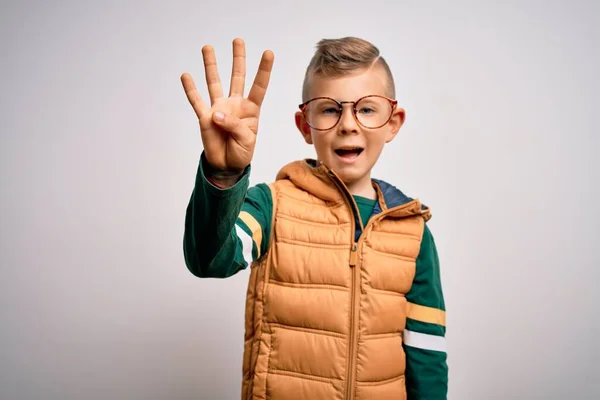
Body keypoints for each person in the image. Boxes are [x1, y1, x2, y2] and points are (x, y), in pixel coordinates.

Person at [181, 37, 448, 400]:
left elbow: (426, 353)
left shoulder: (413, 230)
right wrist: (223, 175)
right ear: (304, 125)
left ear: (393, 122)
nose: (348, 125)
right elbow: (209, 259)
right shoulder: (272, 204)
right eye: (329, 109)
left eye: (367, 109)